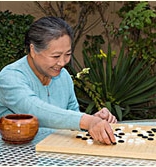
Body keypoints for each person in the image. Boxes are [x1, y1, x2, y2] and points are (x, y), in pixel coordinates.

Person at [0, 16, 117, 145]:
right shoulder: (10, 77)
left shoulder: (63, 76)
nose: (62, 62)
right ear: (33, 51)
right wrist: (87, 121)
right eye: (55, 56)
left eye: (67, 54)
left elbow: (71, 118)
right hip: (15, 158)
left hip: (57, 154)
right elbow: (33, 109)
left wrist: (94, 120)